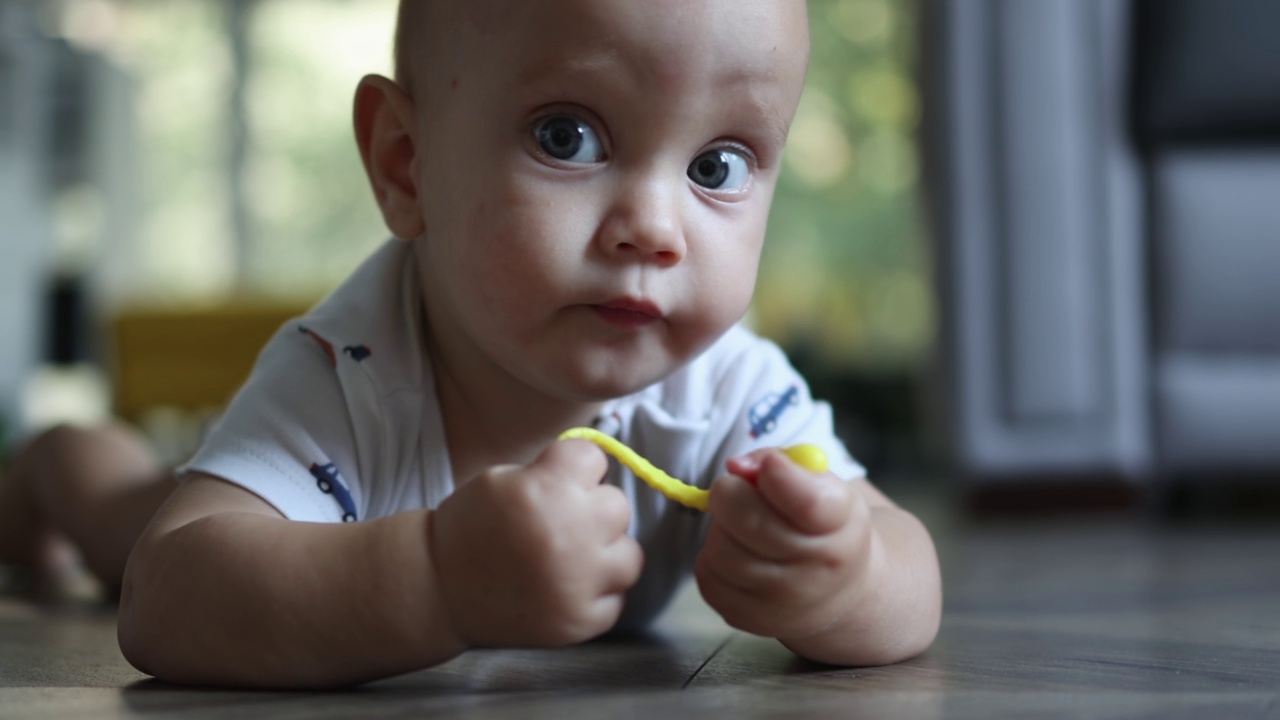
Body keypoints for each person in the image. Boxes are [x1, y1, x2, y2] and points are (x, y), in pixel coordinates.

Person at [0, 0, 942, 688]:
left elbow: (910, 571)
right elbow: (167, 597)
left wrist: (848, 571)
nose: (655, 228)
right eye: (568, 136)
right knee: (130, 519)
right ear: (406, 166)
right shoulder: (349, 370)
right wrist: (440, 580)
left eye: (717, 165)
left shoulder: (721, 382)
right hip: (290, 524)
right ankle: (53, 462)